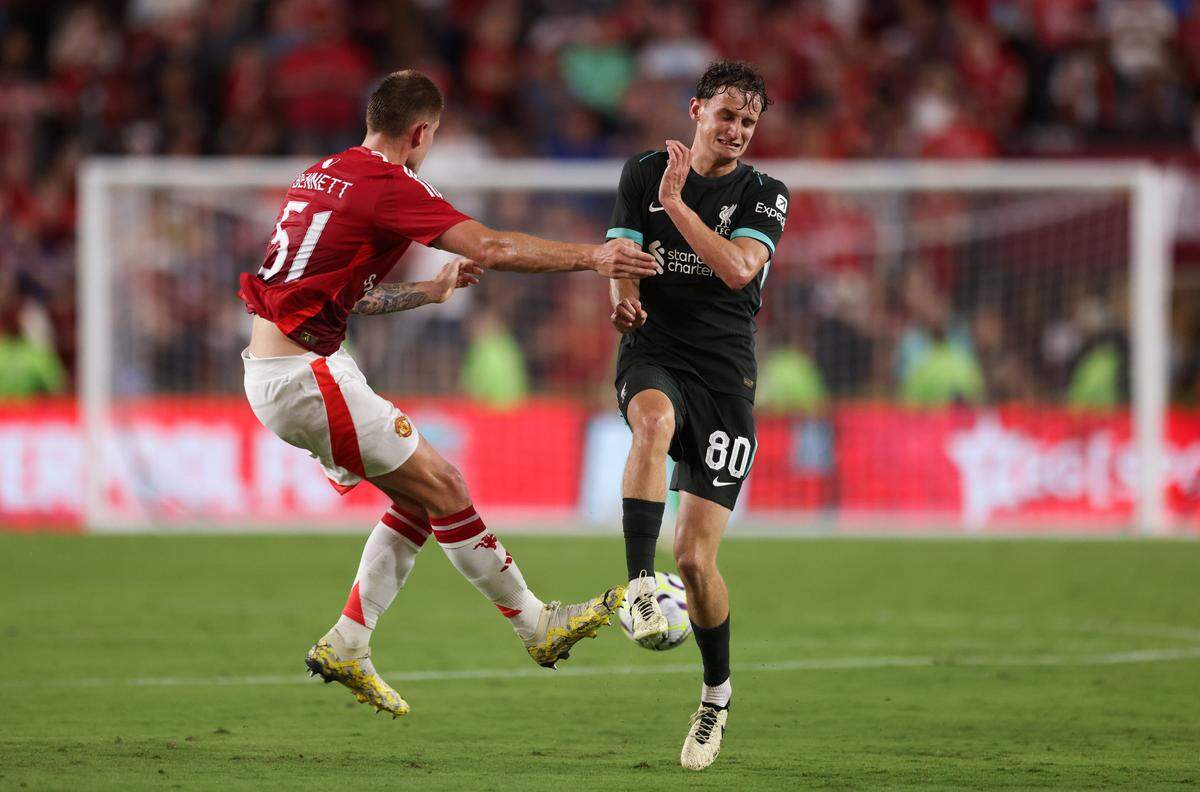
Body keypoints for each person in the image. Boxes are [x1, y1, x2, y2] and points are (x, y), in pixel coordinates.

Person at [238, 69, 659, 719]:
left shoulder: (322, 174)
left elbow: (351, 295)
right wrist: (593, 257)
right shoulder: (387, 184)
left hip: (287, 366)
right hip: (306, 375)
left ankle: (349, 641)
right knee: (448, 489)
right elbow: (490, 244)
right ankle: (536, 626)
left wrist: (430, 293)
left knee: (420, 495)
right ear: (421, 133)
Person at [606, 60, 788, 770]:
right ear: (696, 110)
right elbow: (623, 250)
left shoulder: (765, 193)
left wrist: (678, 205)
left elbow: (740, 270)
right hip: (653, 349)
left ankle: (715, 694)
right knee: (651, 422)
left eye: (749, 120)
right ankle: (638, 586)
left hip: (724, 373)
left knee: (697, 558)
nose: (738, 130)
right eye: (727, 115)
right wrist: (620, 293)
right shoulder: (642, 168)